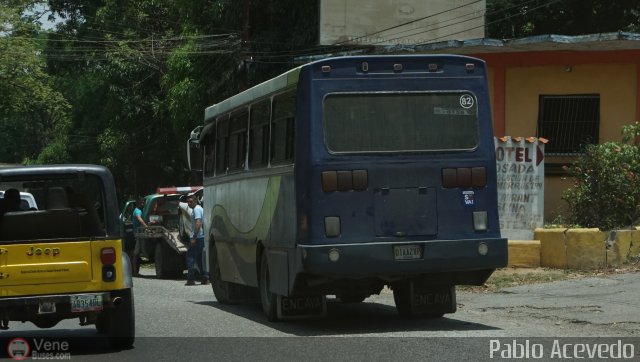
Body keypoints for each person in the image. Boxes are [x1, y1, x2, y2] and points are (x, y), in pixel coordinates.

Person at [186, 195, 209, 286]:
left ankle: (191, 279)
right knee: (199, 259)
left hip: (197, 237)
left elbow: (198, 222)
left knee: (190, 257)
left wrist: (194, 237)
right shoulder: (199, 209)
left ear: (195, 201)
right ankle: (205, 278)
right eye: (188, 202)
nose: (189, 203)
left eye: (191, 201)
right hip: (201, 237)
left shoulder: (196, 209)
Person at [131, 198, 148, 277]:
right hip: (138, 234)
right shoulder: (137, 210)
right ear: (137, 203)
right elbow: (139, 218)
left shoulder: (142, 210)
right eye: (141, 202)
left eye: (143, 202)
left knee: (137, 253)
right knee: (136, 253)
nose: (142, 203)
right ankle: (135, 272)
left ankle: (135, 271)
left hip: (140, 233)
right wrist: (146, 227)